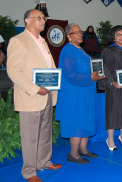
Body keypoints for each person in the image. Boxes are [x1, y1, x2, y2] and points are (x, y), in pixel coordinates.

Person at [6, 9, 62, 182]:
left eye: (44, 18)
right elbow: (13, 71)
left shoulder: (43, 41)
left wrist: (54, 84)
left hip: (47, 95)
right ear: (27, 21)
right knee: (30, 136)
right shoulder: (18, 41)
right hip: (31, 96)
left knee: (45, 132)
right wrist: (36, 88)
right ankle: (29, 171)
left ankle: (44, 162)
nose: (43, 20)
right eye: (38, 18)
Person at [55, 23, 105, 164]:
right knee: (76, 122)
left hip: (85, 93)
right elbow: (70, 74)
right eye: (75, 32)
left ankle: (83, 150)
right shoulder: (68, 51)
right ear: (68, 36)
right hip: (74, 94)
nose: (79, 34)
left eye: (80, 31)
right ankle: (73, 154)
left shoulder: (80, 50)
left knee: (85, 120)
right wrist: (91, 77)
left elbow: (87, 70)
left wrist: (97, 75)